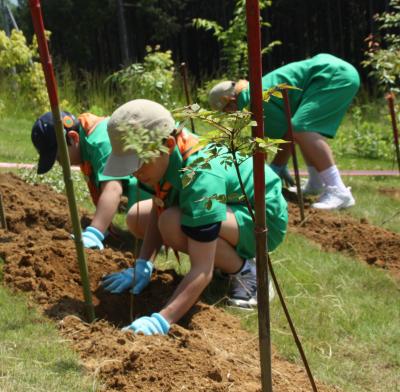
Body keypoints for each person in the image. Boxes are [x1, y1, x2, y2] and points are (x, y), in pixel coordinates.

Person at [100, 99, 288, 335]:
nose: (134, 172)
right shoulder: (166, 156)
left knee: (172, 223)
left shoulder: (200, 175)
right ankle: (226, 257)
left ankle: (246, 275)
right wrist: (143, 262)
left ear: (167, 144)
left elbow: (201, 270)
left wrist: (161, 320)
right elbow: (161, 204)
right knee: (138, 217)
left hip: (261, 218)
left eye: (138, 162)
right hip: (229, 207)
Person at [208, 53, 360, 210]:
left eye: (227, 112)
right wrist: (279, 166)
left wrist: (274, 169)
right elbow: (289, 133)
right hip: (333, 72)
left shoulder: (255, 100)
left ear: (231, 103)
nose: (231, 115)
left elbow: (286, 135)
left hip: (333, 75)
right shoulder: (254, 91)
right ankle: (316, 183)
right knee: (301, 128)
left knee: (302, 128)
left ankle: (339, 192)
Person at [31, 111, 151, 250]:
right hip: (149, 196)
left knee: (134, 218)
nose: (61, 163)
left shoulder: (101, 142)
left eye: (59, 157)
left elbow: (113, 189)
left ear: (73, 138)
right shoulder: (86, 142)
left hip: (165, 195)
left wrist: (94, 233)